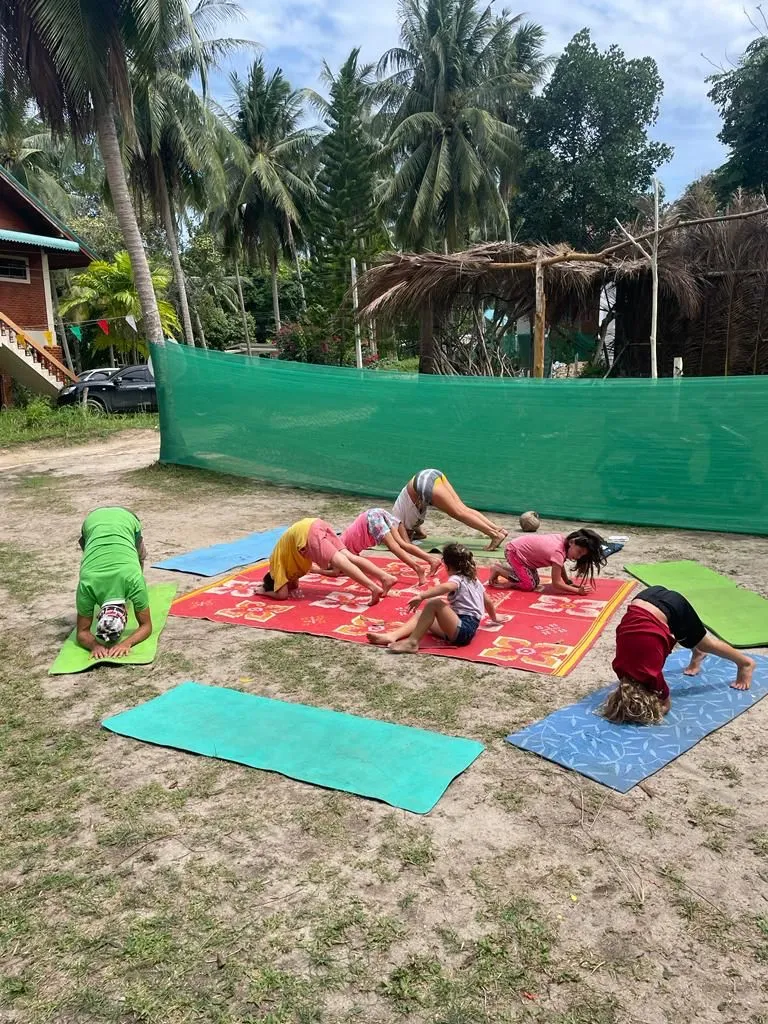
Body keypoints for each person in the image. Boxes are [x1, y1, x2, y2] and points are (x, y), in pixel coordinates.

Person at [603, 586, 755, 725]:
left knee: (705, 643)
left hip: (672, 606)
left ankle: (745, 663)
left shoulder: (652, 678)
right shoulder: (619, 669)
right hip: (643, 599)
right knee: (687, 638)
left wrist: (658, 710)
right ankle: (697, 653)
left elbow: (666, 704)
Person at [366, 543, 498, 653]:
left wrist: (422, 595)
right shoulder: (474, 581)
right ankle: (392, 636)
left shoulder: (456, 579)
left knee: (434, 603)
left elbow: (447, 586)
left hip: (463, 629)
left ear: (446, 565)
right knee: (421, 615)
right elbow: (488, 602)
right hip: (463, 628)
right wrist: (494, 618)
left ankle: (412, 642)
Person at [261, 517, 397, 606]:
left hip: (307, 532)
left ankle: (373, 587)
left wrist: (262, 592)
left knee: (341, 561)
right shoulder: (288, 565)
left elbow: (282, 595)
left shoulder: (276, 568)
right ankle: (385, 577)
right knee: (348, 556)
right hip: (314, 524)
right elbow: (294, 585)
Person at [75, 507, 152, 659]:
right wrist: (95, 645)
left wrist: (126, 643)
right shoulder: (86, 583)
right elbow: (82, 633)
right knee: (92, 546)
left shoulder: (135, 579)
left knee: (140, 556)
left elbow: (147, 626)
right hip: (92, 522)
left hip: (126, 518)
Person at [392, 468, 507, 550]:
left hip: (422, 484)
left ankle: (495, 535)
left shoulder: (396, 522)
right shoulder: (411, 521)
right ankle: (498, 530)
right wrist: (414, 534)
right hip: (429, 475)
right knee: (463, 509)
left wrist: (403, 539)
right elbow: (422, 534)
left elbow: (405, 543)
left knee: (458, 513)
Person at [488, 528, 606, 595]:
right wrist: (577, 591)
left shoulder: (563, 543)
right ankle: (498, 569)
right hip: (514, 552)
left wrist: (568, 582)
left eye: (582, 555)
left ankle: (502, 568)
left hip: (522, 555)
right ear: (572, 542)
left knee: (535, 581)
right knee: (528, 585)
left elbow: (559, 566)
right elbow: (556, 584)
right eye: (579, 552)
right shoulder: (558, 552)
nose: (579, 557)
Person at [340, 507, 440, 584]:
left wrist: (323, 571)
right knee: (402, 544)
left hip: (371, 518)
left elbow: (337, 571)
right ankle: (432, 560)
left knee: (394, 547)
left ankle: (418, 568)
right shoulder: (344, 550)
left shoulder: (338, 551)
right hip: (374, 514)